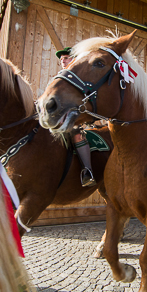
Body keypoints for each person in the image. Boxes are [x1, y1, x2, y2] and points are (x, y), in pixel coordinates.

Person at [57, 47, 96, 187]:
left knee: (76, 134)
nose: (63, 61)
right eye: (61, 59)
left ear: (74, 59)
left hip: (74, 118)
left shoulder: (80, 78)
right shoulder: (58, 78)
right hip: (57, 119)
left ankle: (87, 170)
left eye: (66, 58)